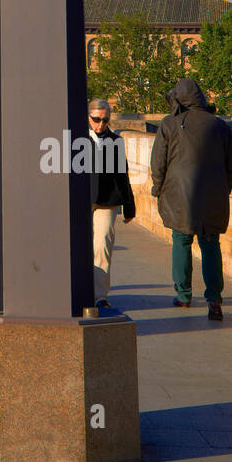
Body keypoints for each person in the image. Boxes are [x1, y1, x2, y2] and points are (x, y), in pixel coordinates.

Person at [151, 77, 232, 321]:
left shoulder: (169, 124)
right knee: (211, 244)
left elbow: (159, 162)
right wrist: (225, 188)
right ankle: (214, 299)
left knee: (181, 240)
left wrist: (157, 188)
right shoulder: (219, 125)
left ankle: (184, 295)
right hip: (214, 195)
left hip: (180, 194)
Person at [87, 99, 136, 309]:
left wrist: (129, 205)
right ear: (88, 117)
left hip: (107, 201)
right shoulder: (73, 139)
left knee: (102, 245)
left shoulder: (115, 141)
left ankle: (100, 295)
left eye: (105, 120)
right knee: (79, 247)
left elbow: (122, 175)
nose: (100, 124)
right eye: (96, 119)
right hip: (82, 201)